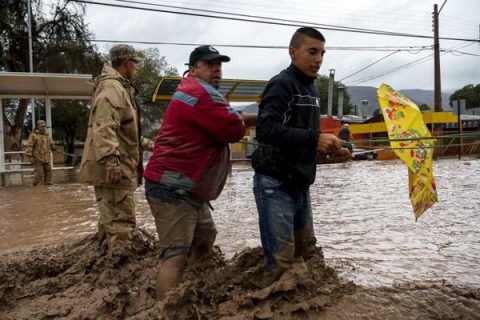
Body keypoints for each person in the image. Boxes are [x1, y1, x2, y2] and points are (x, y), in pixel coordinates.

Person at [143, 45, 257, 300]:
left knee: (205, 238)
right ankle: (166, 311)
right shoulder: (200, 93)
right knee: (176, 255)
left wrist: (256, 118)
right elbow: (231, 128)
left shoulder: (196, 93)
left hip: (186, 188)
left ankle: (188, 289)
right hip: (172, 187)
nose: (217, 69)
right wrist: (259, 119)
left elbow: (228, 116)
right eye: (209, 64)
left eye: (219, 64)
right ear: (192, 69)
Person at [251, 27, 353, 285]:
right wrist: (314, 139)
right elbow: (265, 129)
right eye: (312, 52)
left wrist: (330, 152)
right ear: (293, 52)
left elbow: (303, 140)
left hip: (300, 182)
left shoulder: (312, 90)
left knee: (307, 253)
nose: (318, 59)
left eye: (322, 53)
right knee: (281, 262)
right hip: (275, 183)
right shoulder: (281, 84)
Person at [79, 44, 154, 256]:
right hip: (115, 169)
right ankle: (121, 270)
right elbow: (104, 127)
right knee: (121, 223)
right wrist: (112, 162)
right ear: (127, 63)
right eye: (136, 63)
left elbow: (123, 131)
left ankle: (102, 265)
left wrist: (151, 145)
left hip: (116, 166)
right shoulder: (113, 88)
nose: (137, 68)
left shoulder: (118, 88)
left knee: (110, 220)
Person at [25, 120, 56, 186]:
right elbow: (29, 147)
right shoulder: (33, 135)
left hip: (47, 158)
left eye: (44, 126)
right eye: (42, 126)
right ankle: (37, 189)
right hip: (37, 158)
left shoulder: (47, 136)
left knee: (48, 173)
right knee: (39, 174)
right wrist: (30, 157)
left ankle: (47, 190)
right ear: (38, 126)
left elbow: (51, 144)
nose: (43, 128)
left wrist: (55, 148)